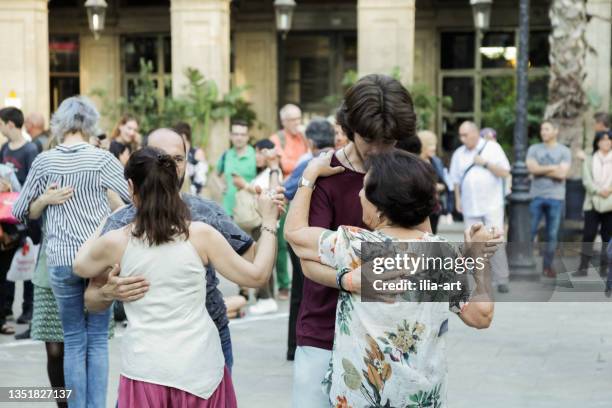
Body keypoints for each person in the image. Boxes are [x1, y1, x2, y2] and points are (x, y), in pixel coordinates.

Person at [285, 149, 496, 407]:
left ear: (381, 209)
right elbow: (481, 316)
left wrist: (309, 175)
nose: (359, 195)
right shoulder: (440, 254)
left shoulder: (355, 245)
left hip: (361, 399)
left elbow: (294, 233)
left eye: (364, 190)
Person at [73, 146, 280, 407]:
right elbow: (258, 275)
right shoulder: (200, 235)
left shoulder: (117, 241)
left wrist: (106, 220)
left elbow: (80, 265)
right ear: (175, 184)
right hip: (200, 370)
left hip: (145, 370)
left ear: (131, 187)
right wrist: (270, 221)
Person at [290, 74, 418, 407]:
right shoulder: (325, 172)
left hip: (389, 332)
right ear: (349, 128)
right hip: (324, 328)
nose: (377, 150)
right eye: (368, 139)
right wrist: (349, 280)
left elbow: (422, 241)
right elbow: (307, 259)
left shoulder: (406, 172)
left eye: (388, 140)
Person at [12, 96, 131, 408]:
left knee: (74, 341)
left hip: (61, 261)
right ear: (90, 124)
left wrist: (45, 201)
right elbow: (130, 207)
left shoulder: (44, 161)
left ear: (59, 124)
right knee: (97, 342)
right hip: (97, 261)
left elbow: (21, 211)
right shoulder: (103, 160)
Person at [282, 118, 335, 360]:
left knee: (301, 291)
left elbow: (287, 190)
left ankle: (295, 345)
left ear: (310, 141)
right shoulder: (342, 160)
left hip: (306, 234)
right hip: (334, 237)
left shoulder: (309, 163)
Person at [450, 121, 511, 293]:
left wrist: (485, 163)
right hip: (470, 204)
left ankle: (501, 277)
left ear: (475, 133)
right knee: (473, 243)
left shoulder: (493, 148)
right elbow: (455, 180)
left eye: (465, 135)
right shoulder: (458, 154)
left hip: (492, 203)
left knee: (496, 239)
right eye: (460, 135)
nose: (462, 139)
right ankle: (478, 280)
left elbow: (505, 172)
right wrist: (457, 199)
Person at [232, 138, 281, 315]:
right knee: (263, 259)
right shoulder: (266, 172)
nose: (257, 157)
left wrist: (245, 186)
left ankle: (265, 298)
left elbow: (272, 193)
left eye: (260, 152)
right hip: (261, 222)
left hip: (264, 222)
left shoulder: (273, 172)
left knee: (262, 260)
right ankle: (266, 298)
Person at [0, 107, 39, 327]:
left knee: (27, 264)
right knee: (8, 265)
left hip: (26, 216)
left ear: (10, 124)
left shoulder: (30, 149)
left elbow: (34, 182)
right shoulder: (5, 148)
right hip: (7, 216)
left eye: (1, 124)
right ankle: (6, 307)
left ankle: (28, 309)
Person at [270, 105, 308, 300]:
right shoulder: (277, 140)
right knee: (282, 241)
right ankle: (284, 284)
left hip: (304, 196)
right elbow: (278, 165)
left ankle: (301, 281)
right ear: (283, 121)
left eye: (298, 118)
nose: (296, 123)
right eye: (292, 119)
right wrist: (301, 167)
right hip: (285, 194)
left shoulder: (304, 138)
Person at [526, 120, 571, 278]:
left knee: (552, 235)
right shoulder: (534, 149)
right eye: (541, 129)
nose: (543, 132)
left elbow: (562, 174)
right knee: (529, 232)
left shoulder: (564, 151)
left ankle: (547, 267)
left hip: (556, 198)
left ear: (555, 131)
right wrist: (553, 167)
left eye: (546, 129)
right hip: (536, 196)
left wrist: (540, 170)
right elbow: (531, 168)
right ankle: (525, 264)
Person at [575, 129, 612, 277]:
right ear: (597, 142)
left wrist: (609, 190)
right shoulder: (589, 159)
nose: (606, 142)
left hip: (610, 203)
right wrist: (598, 191)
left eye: (609, 139)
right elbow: (586, 180)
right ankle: (583, 267)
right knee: (588, 235)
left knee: (607, 237)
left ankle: (605, 267)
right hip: (592, 202)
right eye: (603, 139)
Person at [217, 120, 257, 217]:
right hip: (228, 211)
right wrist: (221, 186)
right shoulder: (226, 155)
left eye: (243, 135)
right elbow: (216, 175)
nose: (239, 138)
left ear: (248, 137)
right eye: (236, 134)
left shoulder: (256, 155)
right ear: (230, 136)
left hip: (249, 213)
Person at [418, 130, 448, 234]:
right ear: (423, 145)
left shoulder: (436, 161)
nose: (434, 148)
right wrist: (431, 186)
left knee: (433, 234)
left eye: (434, 144)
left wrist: (440, 187)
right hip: (419, 206)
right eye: (430, 145)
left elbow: (444, 182)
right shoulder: (414, 162)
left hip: (434, 205)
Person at [174, 122, 208, 196]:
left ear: (186, 137)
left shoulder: (197, 153)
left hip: (193, 196)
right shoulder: (174, 155)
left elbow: (201, 180)